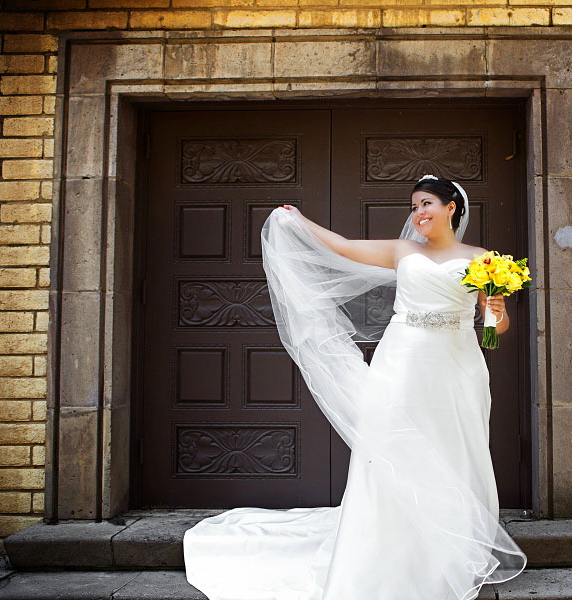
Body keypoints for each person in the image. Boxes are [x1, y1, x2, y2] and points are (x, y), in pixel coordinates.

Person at [182, 175, 527, 600]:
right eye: (415, 206)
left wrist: (494, 310)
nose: (418, 213)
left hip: (458, 364)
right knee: (391, 446)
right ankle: (381, 551)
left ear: (451, 208)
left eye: (427, 204)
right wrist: (299, 222)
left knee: (454, 446)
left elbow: (497, 326)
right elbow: (342, 246)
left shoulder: (483, 259)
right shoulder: (402, 251)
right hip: (402, 361)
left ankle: (450, 548)